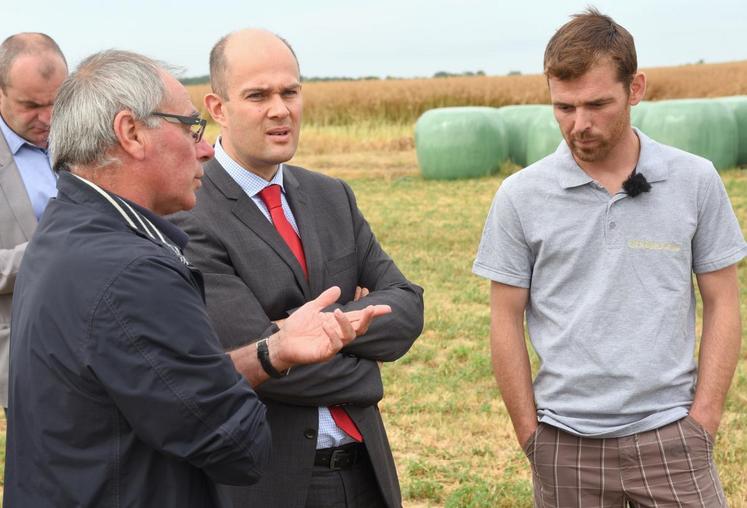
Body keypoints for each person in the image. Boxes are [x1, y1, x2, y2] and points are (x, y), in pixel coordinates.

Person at [4, 50, 390, 508]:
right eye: (190, 128)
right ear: (131, 133)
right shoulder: (134, 271)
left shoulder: (67, 230)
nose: (206, 148)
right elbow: (237, 443)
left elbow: (161, 390)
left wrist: (270, 349)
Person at [473, 8, 745, 507]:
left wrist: (703, 419)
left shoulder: (695, 180)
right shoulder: (520, 196)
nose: (579, 124)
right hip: (564, 445)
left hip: (673, 438)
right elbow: (504, 317)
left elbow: (724, 300)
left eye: (597, 104)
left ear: (635, 88)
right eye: (564, 107)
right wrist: (531, 435)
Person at [170, 29, 424, 508]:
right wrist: (368, 368)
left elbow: (407, 306)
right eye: (258, 95)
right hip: (270, 483)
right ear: (217, 107)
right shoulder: (191, 213)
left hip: (365, 474)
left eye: (290, 92)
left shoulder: (332, 196)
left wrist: (297, 333)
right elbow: (248, 358)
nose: (280, 109)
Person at [0, 32, 67, 409]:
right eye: (30, 105)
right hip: (28, 354)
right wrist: (51, 251)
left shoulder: (85, 134)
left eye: (56, 102)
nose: (47, 118)